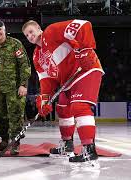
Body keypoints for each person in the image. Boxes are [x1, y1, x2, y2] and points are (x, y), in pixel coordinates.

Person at [22, 19, 104, 163]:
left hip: (85, 69)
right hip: (68, 81)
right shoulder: (36, 56)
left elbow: (84, 25)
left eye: (31, 32)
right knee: (62, 109)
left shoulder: (51, 31)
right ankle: (67, 145)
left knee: (79, 107)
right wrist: (44, 98)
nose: (29, 36)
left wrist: (85, 50)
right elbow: (46, 80)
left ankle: (89, 149)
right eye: (26, 35)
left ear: (39, 29)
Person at [0, 20, 31, 155]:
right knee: (0, 116)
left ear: (4, 30)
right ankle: (4, 141)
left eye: (0, 29)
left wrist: (23, 84)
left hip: (14, 89)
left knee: (15, 115)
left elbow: (25, 65)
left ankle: (15, 143)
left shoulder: (15, 44)